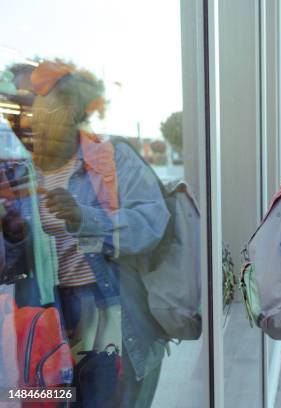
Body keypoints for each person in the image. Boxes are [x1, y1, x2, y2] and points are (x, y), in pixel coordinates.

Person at [2, 60, 170, 407]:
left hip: (108, 317)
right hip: (46, 322)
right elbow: (10, 265)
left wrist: (84, 217)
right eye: (11, 107)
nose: (18, 116)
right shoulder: (19, 175)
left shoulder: (111, 158)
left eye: (29, 103)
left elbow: (152, 224)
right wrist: (14, 233)